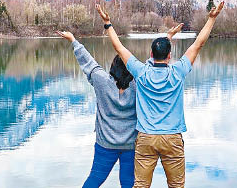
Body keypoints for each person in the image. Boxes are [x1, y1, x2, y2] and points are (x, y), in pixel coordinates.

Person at [95, 1, 225, 188]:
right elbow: (198, 44)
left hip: (146, 137)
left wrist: (108, 24)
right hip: (172, 138)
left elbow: (119, 48)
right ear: (170, 56)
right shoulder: (177, 71)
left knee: (140, 185)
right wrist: (212, 19)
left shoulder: (141, 72)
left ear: (150, 54)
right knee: (176, 185)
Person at [55, 24, 182, 188]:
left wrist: (73, 40)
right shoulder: (140, 82)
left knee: (94, 180)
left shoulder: (101, 81)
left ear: (112, 67)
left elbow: (87, 61)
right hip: (131, 144)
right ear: (133, 70)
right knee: (129, 183)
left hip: (105, 144)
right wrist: (167, 39)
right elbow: (152, 64)